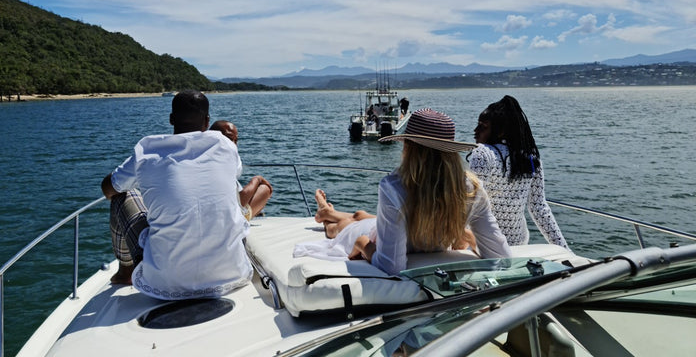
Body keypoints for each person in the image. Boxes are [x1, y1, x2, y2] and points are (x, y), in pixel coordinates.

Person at [296, 108, 510, 274]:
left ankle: (327, 214)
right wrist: (472, 238)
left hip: (372, 235)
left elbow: (391, 267)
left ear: (408, 147)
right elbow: (501, 255)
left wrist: (364, 245)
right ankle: (327, 213)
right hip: (376, 229)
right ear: (451, 153)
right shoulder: (471, 190)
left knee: (343, 226)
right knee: (354, 219)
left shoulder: (394, 188)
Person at [101, 90, 252, 299]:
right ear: (207, 121)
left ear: (171, 119)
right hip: (231, 274)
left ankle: (126, 271)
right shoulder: (226, 146)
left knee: (122, 196)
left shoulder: (147, 151)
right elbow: (233, 173)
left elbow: (108, 188)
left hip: (166, 283)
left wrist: (126, 175)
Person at [467, 95, 568, 248]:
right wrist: (564, 249)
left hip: (483, 244)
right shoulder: (530, 158)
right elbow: (538, 207)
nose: (476, 131)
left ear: (501, 132)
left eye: (483, 126)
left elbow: (471, 203)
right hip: (518, 244)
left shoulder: (483, 153)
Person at [209, 119, 273, 219]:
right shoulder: (226, 160)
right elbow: (241, 201)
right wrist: (257, 179)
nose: (234, 144)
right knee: (265, 189)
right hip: (224, 220)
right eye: (230, 139)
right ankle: (245, 218)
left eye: (236, 141)